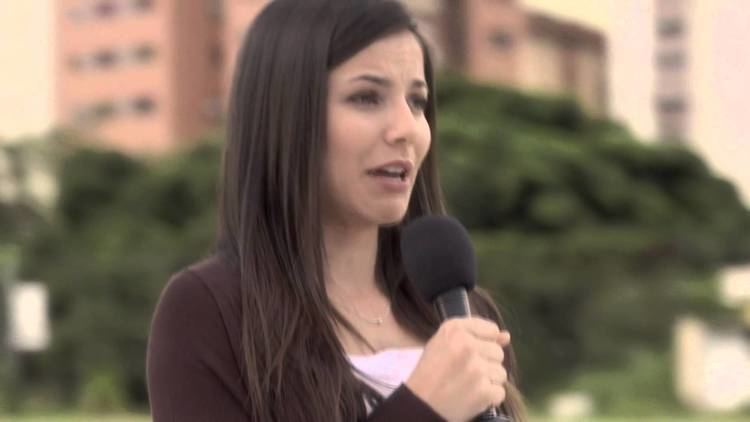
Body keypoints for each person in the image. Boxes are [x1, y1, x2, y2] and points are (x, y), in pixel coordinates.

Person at [146, 0, 527, 421]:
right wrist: (422, 407)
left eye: (417, 102)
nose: (406, 130)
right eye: (366, 97)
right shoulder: (209, 311)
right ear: (286, 115)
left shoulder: (460, 315)